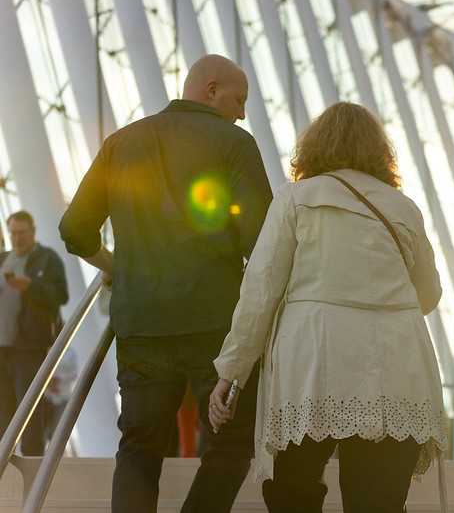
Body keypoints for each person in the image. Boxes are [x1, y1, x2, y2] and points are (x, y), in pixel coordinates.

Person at [208, 102, 448, 512]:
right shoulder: (403, 208)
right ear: (379, 151)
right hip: (395, 368)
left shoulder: (296, 199)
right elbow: (428, 295)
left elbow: (261, 291)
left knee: (293, 491)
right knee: (378, 502)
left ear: (314, 148)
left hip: (313, 365)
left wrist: (232, 373)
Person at [59, 54, 272, 513]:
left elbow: (75, 230)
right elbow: (264, 246)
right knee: (232, 441)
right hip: (216, 327)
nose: (241, 111)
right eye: (239, 99)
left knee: (139, 448)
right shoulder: (235, 143)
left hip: (140, 326)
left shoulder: (121, 143)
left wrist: (112, 264)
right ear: (212, 89)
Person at [0, 210, 69, 456]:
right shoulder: (2, 259)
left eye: (21, 233)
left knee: (28, 411)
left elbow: (60, 295)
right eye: (12, 233)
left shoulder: (47, 259)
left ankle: (33, 469)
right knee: (2, 411)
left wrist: (31, 286)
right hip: (1, 349)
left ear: (33, 232)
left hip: (28, 348)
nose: (16, 238)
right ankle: (4, 474)